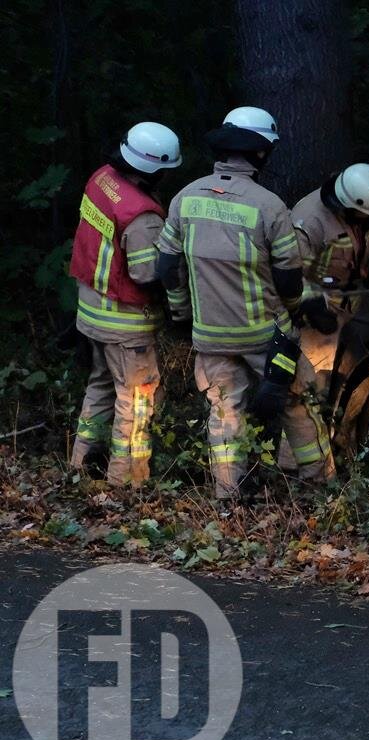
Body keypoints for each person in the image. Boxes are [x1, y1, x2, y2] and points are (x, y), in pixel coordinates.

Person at [155, 106, 333, 499]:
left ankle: (227, 496)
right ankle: (319, 486)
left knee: (224, 414)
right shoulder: (269, 206)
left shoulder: (184, 199)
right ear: (260, 154)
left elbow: (167, 266)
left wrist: (181, 311)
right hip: (265, 337)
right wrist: (297, 307)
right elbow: (288, 278)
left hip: (210, 336)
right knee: (298, 402)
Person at [69, 121, 183, 486]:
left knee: (101, 385)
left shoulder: (101, 178)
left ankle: (79, 463)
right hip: (124, 324)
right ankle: (127, 481)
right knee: (136, 400)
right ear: (156, 168)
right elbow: (146, 275)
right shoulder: (142, 215)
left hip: (90, 312)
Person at [291, 163, 369, 395]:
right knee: (314, 383)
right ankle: (319, 421)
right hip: (321, 306)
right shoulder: (310, 220)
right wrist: (311, 304)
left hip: (357, 298)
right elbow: (290, 273)